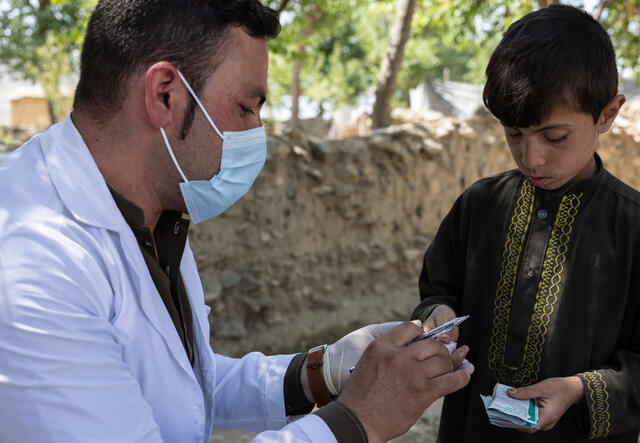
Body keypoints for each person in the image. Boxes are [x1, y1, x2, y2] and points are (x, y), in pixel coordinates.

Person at [0, 1, 475, 442]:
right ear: (165, 94)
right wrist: (359, 419)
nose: (256, 134)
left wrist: (324, 372)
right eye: (247, 108)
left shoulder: (152, 215)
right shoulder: (34, 260)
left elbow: (185, 389)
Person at [411, 5, 640, 443]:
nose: (531, 158)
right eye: (514, 134)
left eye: (555, 137)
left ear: (607, 115)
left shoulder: (632, 229)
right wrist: (435, 317)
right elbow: (438, 289)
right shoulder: (480, 204)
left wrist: (578, 390)